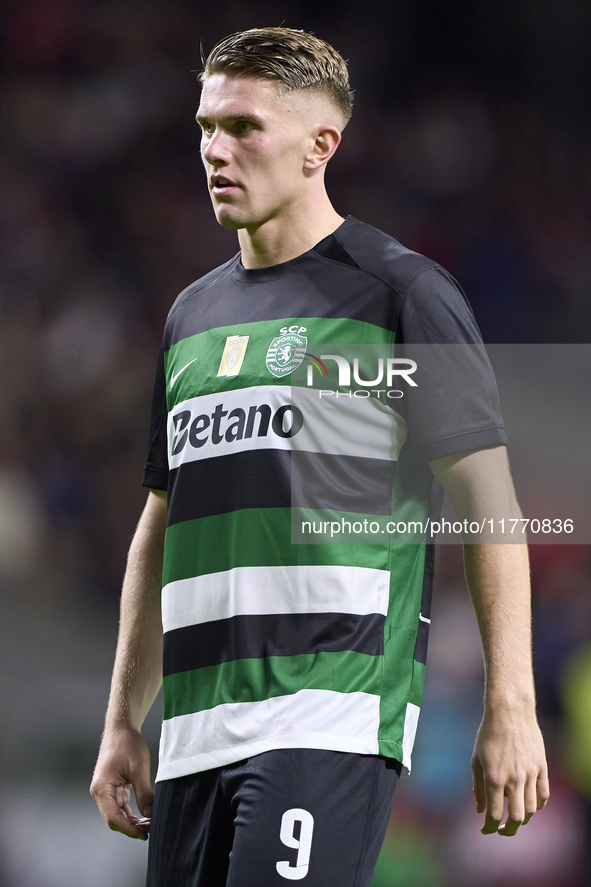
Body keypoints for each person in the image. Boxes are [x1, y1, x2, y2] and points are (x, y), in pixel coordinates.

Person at [90, 26, 549, 887]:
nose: (213, 151)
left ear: (319, 145)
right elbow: (161, 523)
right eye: (203, 128)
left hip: (326, 714)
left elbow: (490, 499)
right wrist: (124, 720)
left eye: (242, 128)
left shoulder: (399, 293)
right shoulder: (191, 316)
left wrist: (510, 705)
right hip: (191, 731)